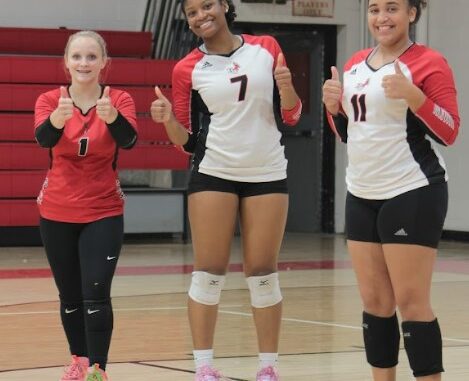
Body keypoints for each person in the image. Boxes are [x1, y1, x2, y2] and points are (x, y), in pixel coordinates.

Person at [151, 0, 302, 379]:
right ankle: (204, 367)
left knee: (263, 272)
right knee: (208, 272)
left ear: (225, 6)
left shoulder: (265, 47)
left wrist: (287, 89)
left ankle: (268, 367)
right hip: (214, 171)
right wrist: (168, 119)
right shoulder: (186, 68)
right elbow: (184, 141)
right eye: (191, 12)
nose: (201, 15)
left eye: (207, 5)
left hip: (267, 171)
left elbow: (292, 114)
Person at [322, 0, 459, 380]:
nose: (382, 18)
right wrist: (334, 110)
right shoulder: (354, 64)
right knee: (375, 303)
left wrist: (414, 96)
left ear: (412, 13)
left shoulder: (430, 62)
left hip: (412, 190)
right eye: (374, 9)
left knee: (411, 304)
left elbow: (449, 130)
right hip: (361, 192)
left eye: (393, 8)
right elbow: (353, 135)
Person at [34, 30, 138, 381]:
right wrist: (56, 120)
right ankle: (78, 360)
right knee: (69, 296)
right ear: (66, 63)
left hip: (103, 211)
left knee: (96, 294)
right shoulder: (50, 100)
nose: (84, 63)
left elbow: (130, 139)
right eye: (77, 56)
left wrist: (112, 118)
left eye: (91, 57)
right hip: (56, 211)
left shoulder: (119, 99)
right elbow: (42, 139)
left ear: (104, 63)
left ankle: (98, 369)